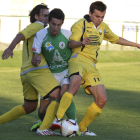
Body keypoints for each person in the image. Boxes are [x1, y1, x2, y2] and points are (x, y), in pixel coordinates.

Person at [49, 1, 140, 136]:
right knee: (73, 87)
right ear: (90, 13)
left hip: (91, 65)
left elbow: (115, 39)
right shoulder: (80, 24)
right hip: (77, 59)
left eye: (102, 16)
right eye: (97, 16)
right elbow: (71, 43)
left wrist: (136, 45)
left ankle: (82, 128)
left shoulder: (103, 27)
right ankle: (57, 119)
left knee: (102, 99)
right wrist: (81, 42)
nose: (100, 19)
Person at [1, 3, 61, 136]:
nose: (47, 18)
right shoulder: (38, 25)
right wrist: (10, 48)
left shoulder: (40, 31)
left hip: (25, 72)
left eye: (48, 16)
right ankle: (46, 127)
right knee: (58, 94)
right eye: (45, 15)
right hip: (36, 70)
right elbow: (20, 35)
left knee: (30, 107)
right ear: (37, 16)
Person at [31, 8, 78, 135]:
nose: (55, 28)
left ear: (62, 24)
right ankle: (46, 122)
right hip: (50, 73)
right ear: (48, 21)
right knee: (42, 111)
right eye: (53, 24)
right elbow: (34, 57)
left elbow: (78, 50)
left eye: (58, 25)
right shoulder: (41, 34)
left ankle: (72, 124)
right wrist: (36, 60)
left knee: (63, 94)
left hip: (66, 71)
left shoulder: (68, 35)